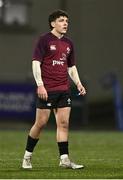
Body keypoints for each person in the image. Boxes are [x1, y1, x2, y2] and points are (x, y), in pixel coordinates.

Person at [22, 9, 86, 170]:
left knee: (63, 124)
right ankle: (27, 157)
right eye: (61, 20)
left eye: (67, 21)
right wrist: (40, 84)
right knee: (41, 123)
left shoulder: (68, 43)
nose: (65, 23)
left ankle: (64, 159)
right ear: (53, 23)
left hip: (63, 89)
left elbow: (71, 66)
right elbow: (36, 63)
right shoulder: (44, 40)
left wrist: (78, 83)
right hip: (47, 89)